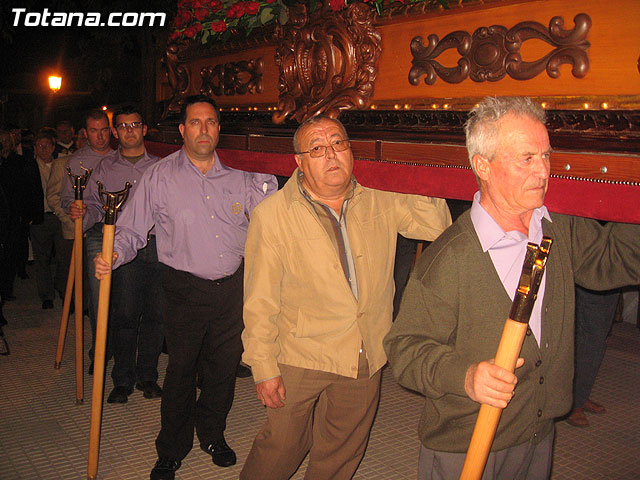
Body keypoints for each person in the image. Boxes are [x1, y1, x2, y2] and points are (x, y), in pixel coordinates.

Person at [383, 96, 640, 480]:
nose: (543, 171)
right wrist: (465, 376)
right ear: (482, 166)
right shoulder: (450, 258)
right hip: (467, 441)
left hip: (537, 431)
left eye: (545, 156)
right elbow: (404, 349)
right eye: (526, 159)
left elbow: (614, 260)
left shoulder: (558, 228)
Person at [240, 115, 452, 480]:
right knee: (282, 445)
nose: (331, 155)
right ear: (299, 162)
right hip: (300, 352)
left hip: (364, 348)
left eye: (339, 144)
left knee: (342, 450)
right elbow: (259, 301)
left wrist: (415, 173)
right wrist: (263, 366)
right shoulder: (272, 215)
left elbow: (436, 227)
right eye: (317, 149)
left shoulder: (379, 198)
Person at [93, 95, 277, 480]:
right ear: (182, 130)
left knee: (222, 369)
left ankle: (212, 434)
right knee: (180, 371)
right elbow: (130, 228)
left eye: (210, 122)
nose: (203, 130)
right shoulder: (160, 176)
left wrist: (266, 173)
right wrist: (114, 255)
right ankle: (172, 449)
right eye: (195, 122)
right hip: (182, 288)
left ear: (218, 128)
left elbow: (271, 216)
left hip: (233, 288)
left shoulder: (243, 173)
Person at [74, 106, 163, 404]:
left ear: (144, 129)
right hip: (122, 249)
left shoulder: (161, 167)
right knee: (124, 314)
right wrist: (81, 215)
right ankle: (123, 379)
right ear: (115, 132)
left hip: (157, 246)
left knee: (154, 315)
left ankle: (148, 376)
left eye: (135, 125)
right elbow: (94, 208)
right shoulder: (105, 169)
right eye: (122, 126)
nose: (129, 130)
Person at [61, 109, 114, 373]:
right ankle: (99, 349)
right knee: (96, 293)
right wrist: (73, 208)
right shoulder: (76, 162)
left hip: (123, 231)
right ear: (85, 132)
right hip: (94, 231)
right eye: (94, 131)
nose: (100, 136)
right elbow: (66, 198)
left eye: (104, 129)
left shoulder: (120, 156)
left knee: (122, 295)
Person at [25, 131, 70, 309]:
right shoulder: (28, 166)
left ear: (53, 147)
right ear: (35, 148)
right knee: (41, 258)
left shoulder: (63, 164)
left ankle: (61, 287)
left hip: (60, 217)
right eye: (39, 146)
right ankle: (46, 295)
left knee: (63, 257)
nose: (43, 149)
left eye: (47, 145)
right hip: (40, 217)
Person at [566, 285, 620, 427]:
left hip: (611, 270)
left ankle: (581, 395)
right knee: (588, 330)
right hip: (590, 272)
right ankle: (573, 402)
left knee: (600, 333)